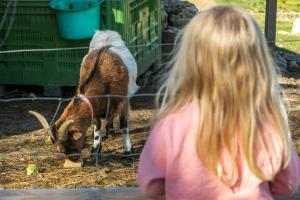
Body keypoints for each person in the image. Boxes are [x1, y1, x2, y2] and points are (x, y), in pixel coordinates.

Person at [137, 5, 300, 200]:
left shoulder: (172, 126)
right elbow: (287, 186)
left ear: (190, 63)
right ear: (258, 64)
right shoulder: (268, 126)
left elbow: (150, 185)